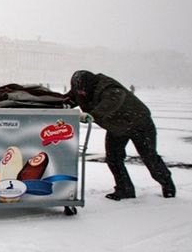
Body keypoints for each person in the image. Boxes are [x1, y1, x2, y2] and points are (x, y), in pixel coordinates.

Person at [68, 70, 175, 200]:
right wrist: (50, 103)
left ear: (89, 85)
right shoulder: (80, 89)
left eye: (82, 91)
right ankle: (125, 189)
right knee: (113, 158)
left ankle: (167, 185)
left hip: (140, 124)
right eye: (78, 91)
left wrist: (93, 115)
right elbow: (68, 100)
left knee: (149, 157)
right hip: (117, 127)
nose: (81, 93)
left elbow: (111, 102)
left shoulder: (108, 87)